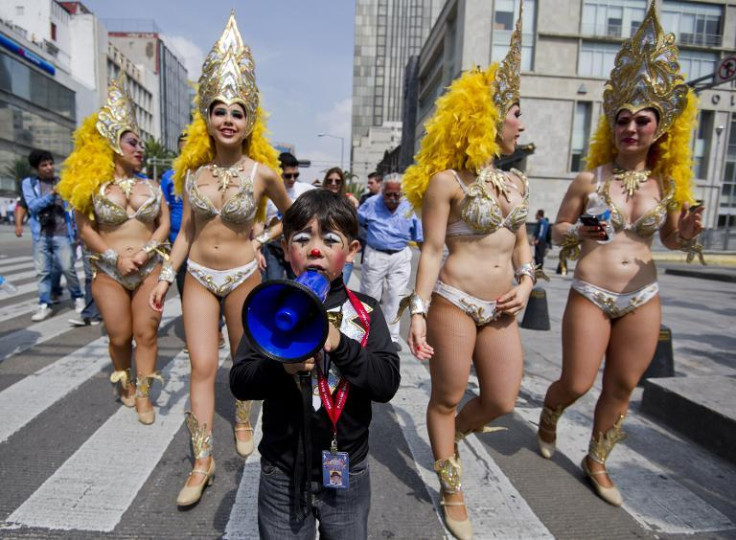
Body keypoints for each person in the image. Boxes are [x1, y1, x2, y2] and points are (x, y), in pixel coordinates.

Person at [536, 3, 704, 508]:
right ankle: (551, 411)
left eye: (642, 120)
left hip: (642, 294)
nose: (631, 128)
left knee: (624, 384)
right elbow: (561, 227)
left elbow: (671, 240)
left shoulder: (670, 183)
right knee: (579, 381)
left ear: (659, 128)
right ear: (612, 125)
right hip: (591, 290)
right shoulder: (591, 179)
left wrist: (690, 232)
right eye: (623, 119)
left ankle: (596, 459)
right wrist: (581, 227)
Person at [148, 13, 291, 507]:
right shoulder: (193, 174)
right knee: (202, 366)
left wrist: (263, 237)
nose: (228, 118)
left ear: (250, 121)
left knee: (244, 359)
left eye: (238, 111)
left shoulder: (264, 174)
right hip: (199, 277)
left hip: (244, 275)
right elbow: (188, 231)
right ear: (207, 119)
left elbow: (294, 220)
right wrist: (167, 274)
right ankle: (202, 462)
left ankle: (246, 416)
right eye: (219, 110)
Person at [401, 8, 530, 538]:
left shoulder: (519, 185)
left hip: (502, 307)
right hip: (455, 300)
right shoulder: (446, 182)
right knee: (447, 397)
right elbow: (431, 250)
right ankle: (451, 484)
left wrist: (525, 284)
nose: (522, 123)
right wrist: (418, 310)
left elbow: (522, 245)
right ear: (487, 119)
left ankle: (450, 439)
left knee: (501, 399)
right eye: (516, 112)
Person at [230, 189, 400, 539]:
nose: (316, 249)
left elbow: (386, 384)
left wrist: (340, 344)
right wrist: (281, 366)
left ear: (352, 251)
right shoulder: (271, 305)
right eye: (302, 239)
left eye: (331, 239)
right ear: (286, 249)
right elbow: (241, 380)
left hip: (347, 471)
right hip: (282, 472)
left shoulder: (366, 312)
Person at [57, 76, 170, 425]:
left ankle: (143, 393)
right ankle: (124, 377)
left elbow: (164, 223)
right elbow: (85, 228)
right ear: (113, 144)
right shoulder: (89, 187)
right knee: (120, 335)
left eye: (140, 143)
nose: (140, 149)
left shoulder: (150, 184)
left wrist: (146, 250)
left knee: (147, 332)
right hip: (108, 270)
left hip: (149, 267)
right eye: (132, 142)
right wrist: (115, 257)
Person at [358, 176, 423, 351]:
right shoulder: (371, 203)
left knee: (396, 296)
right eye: (388, 194)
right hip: (376, 253)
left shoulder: (409, 206)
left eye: (396, 195)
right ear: (382, 192)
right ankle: (367, 334)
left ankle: (391, 338)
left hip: (400, 255)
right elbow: (358, 221)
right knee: (370, 296)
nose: (393, 198)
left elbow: (419, 235)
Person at [22, 149, 85, 322]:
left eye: (50, 163)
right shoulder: (29, 183)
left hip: (63, 233)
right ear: (36, 168)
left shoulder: (62, 182)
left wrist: (77, 232)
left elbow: (72, 208)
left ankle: (77, 297)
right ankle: (44, 304)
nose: (49, 168)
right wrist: (52, 195)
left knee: (68, 268)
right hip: (41, 235)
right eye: (44, 165)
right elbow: (33, 207)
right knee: (42, 272)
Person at [258, 151, 315, 280]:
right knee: (273, 286)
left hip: (297, 246)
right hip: (273, 247)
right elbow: (260, 224)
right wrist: (258, 249)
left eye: (296, 175)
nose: (293, 179)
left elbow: (325, 198)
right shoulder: (267, 194)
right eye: (288, 175)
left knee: (296, 285)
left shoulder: (305, 189)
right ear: (279, 173)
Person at [321, 167, 358, 285]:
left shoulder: (347, 203)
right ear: (325, 182)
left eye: (337, 181)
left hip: (343, 256)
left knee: (339, 295)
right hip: (322, 254)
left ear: (342, 183)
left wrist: (349, 257)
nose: (333, 184)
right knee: (320, 294)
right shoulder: (317, 201)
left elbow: (353, 229)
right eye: (330, 180)